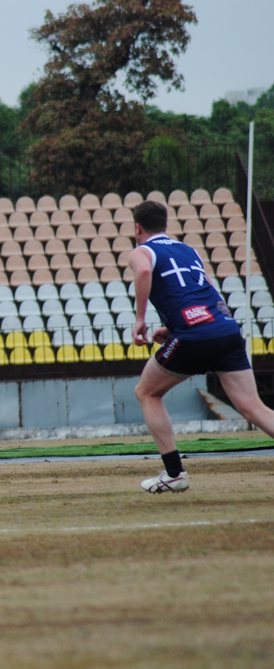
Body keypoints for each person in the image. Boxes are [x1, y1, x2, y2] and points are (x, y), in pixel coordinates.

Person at [130, 199, 274, 492]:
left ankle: (174, 474)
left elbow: (143, 272)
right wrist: (173, 328)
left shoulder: (142, 251)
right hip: (225, 328)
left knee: (147, 392)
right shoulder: (189, 250)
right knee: (252, 407)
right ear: (165, 224)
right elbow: (204, 289)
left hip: (194, 335)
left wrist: (140, 319)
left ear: (137, 227)